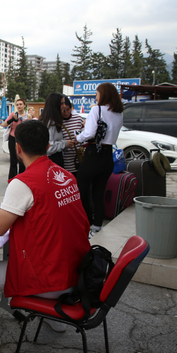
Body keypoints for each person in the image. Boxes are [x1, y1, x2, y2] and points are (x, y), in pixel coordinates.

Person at [0, 120, 90, 349]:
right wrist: (2, 209)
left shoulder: (24, 182)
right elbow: (44, 212)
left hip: (51, 280)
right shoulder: (66, 175)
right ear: (48, 146)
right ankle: (57, 320)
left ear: (17, 148)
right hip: (80, 273)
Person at [76, 83, 124, 238]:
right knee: (98, 194)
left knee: (80, 190)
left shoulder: (97, 110)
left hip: (93, 153)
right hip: (107, 155)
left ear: (103, 95)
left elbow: (89, 133)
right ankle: (97, 227)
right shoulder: (119, 113)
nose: (96, 97)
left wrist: (78, 137)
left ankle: (84, 224)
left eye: (97, 94)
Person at [39, 92, 73, 168]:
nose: (64, 106)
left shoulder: (53, 120)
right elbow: (49, 147)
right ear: (55, 105)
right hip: (52, 160)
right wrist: (65, 143)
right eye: (62, 103)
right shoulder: (50, 123)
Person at [1, 98, 28, 179]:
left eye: (20, 104)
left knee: (22, 160)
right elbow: (4, 124)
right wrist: (12, 119)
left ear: (24, 105)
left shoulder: (28, 116)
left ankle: (22, 178)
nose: (19, 106)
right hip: (13, 138)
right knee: (13, 160)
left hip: (23, 139)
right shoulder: (13, 114)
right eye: (17, 104)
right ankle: (12, 178)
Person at [61, 96, 86, 176]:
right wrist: (66, 143)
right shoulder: (57, 121)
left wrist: (80, 140)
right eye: (63, 110)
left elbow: (85, 134)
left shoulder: (78, 118)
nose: (66, 113)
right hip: (65, 162)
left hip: (79, 159)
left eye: (68, 109)